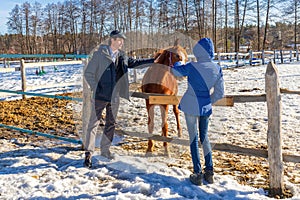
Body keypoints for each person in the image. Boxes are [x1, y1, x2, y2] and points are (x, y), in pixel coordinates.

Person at [83, 30, 154, 168]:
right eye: (119, 40)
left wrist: (153, 61)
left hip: (114, 97)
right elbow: (89, 73)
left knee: (111, 124)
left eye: (122, 40)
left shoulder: (122, 56)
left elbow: (136, 63)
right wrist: (96, 88)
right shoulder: (99, 55)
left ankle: (105, 150)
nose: (121, 42)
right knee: (93, 124)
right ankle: (89, 154)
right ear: (112, 40)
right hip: (100, 96)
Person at [171, 38, 224, 185]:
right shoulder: (217, 68)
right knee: (205, 137)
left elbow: (175, 71)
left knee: (193, 139)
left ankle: (197, 173)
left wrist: (179, 62)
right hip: (205, 107)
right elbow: (220, 93)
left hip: (190, 106)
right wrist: (207, 101)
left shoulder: (192, 66)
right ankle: (210, 172)